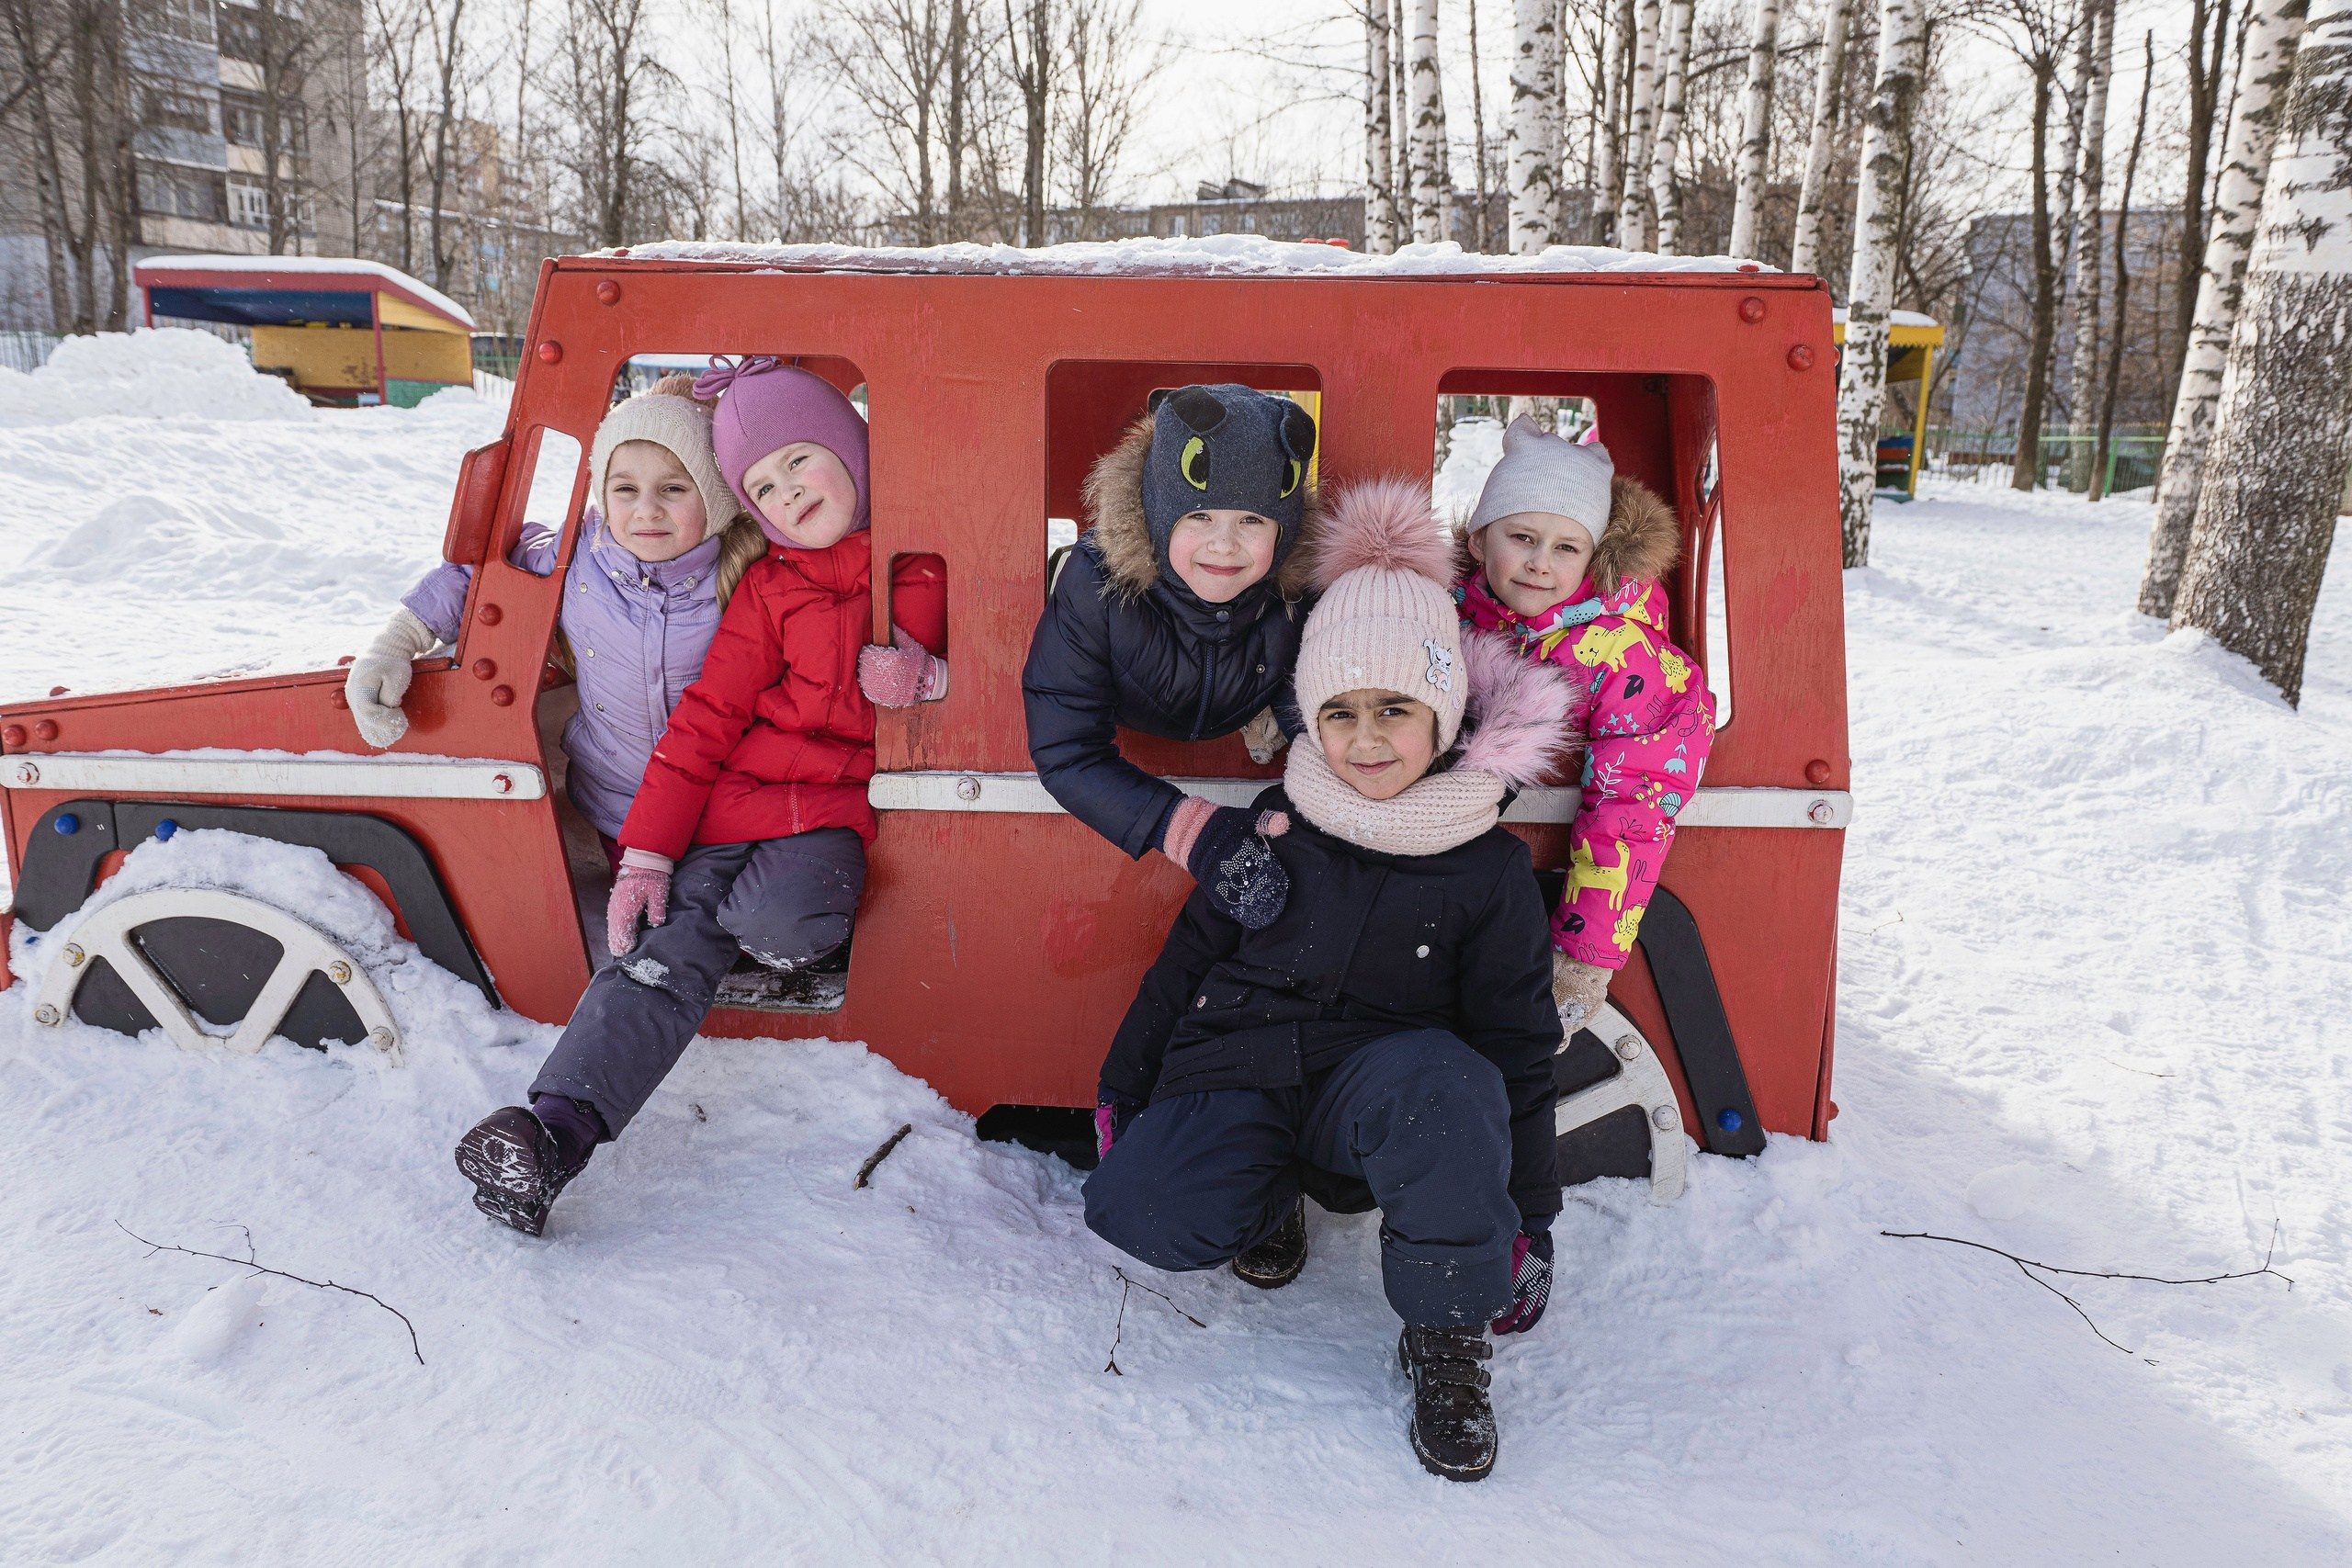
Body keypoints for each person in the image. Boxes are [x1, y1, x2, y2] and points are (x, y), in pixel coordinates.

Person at [1082, 476, 1571, 1483]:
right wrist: (1123, 1094)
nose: (1365, 740)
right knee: (1137, 1207)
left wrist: (1531, 1216)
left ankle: (1445, 1339)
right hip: (1242, 1062)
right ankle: (1265, 1196)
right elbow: (1183, 967)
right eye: (1339, 713)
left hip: (1383, 1087)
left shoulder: (1483, 867)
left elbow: (1518, 1045)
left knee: (1449, 1086)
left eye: (1394, 709)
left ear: (1443, 712)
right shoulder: (1274, 823)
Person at [453, 357, 947, 1236]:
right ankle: (553, 1132)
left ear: (852, 447)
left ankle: (754, 931)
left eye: (800, 460)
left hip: (827, 818)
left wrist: (933, 679)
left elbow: (1016, 667)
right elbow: (707, 718)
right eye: (762, 487)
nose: (788, 493)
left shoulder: (929, 566)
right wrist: (648, 852)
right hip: (732, 806)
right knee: (666, 944)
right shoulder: (767, 587)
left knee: (777, 920)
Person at [344, 376, 766, 857]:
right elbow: (482, 575)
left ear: (715, 496)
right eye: (625, 488)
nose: (647, 510)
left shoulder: (747, 569)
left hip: (724, 807)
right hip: (619, 808)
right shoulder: (577, 555)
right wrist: (395, 644)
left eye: (673, 488)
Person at [1023, 384, 1322, 930]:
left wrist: (1307, 809)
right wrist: (1191, 832)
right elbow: (1066, 748)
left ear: (1284, 532)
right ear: (1160, 515)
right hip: (1134, 717)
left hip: (1239, 710)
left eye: (1252, 521)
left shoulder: (1294, 598)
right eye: (1200, 515)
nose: (1224, 544)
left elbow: (1318, 721)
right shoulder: (1097, 584)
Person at [1453, 415, 1715, 1033]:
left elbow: (1633, 806)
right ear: (1479, 540)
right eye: (1522, 537)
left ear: (1593, 558)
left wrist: (1584, 955)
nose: (1540, 563)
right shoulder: (1445, 615)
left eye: (1566, 548)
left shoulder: (1625, 656)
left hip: (1543, 889)